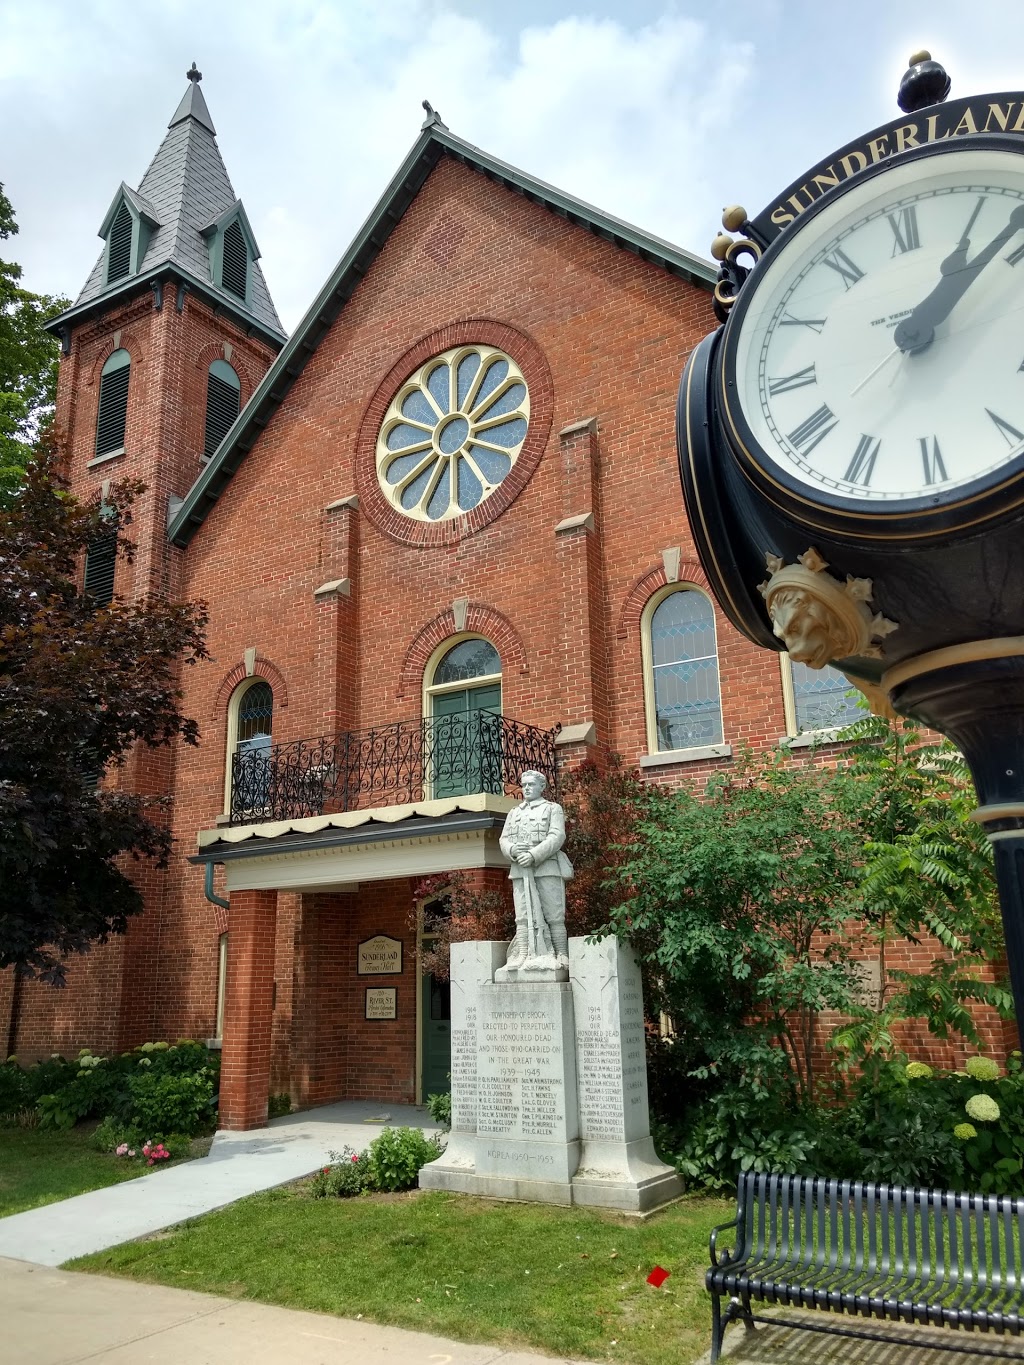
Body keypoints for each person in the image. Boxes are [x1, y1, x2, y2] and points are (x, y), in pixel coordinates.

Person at [498, 769, 573, 972]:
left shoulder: (552, 809)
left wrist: (534, 855)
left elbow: (557, 837)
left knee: (554, 915)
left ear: (542, 787)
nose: (527, 788)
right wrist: (513, 850)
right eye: (524, 785)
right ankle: (523, 953)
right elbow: (503, 839)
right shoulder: (514, 812)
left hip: (547, 868)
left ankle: (561, 954)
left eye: (531, 784)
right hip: (520, 869)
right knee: (522, 915)